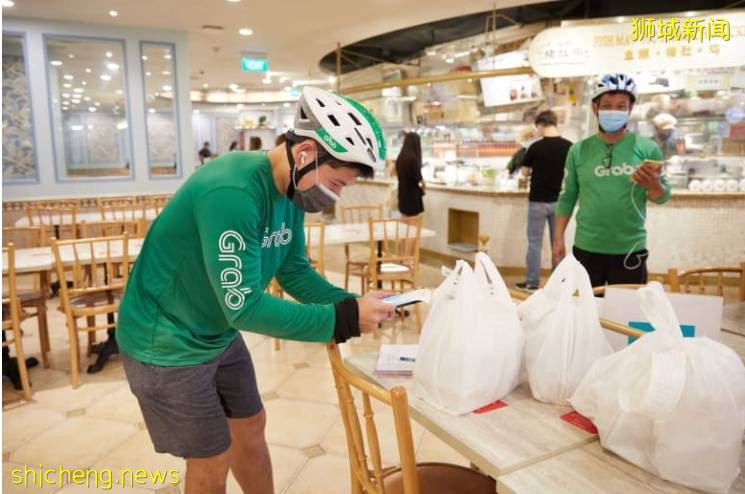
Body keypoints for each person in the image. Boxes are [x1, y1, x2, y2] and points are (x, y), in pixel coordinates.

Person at [116, 86, 395, 494]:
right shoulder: (233, 191)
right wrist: (346, 319)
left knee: (251, 426)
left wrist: (349, 303)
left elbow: (295, 270)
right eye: (336, 182)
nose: (335, 195)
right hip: (166, 340)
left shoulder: (291, 190)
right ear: (304, 155)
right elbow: (243, 308)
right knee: (211, 458)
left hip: (215, 331)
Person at [552, 73, 671, 288]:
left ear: (630, 109)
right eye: (607, 105)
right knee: (584, 315)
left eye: (620, 106)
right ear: (595, 109)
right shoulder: (578, 150)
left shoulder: (648, 149)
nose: (613, 111)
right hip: (586, 248)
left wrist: (653, 185)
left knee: (625, 316)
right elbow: (567, 196)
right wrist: (558, 238)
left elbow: (662, 197)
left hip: (630, 249)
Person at [516, 110, 572, 292]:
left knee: (534, 243)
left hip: (537, 201)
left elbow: (524, 173)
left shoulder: (535, 147)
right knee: (558, 242)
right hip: (560, 202)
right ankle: (558, 284)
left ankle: (532, 282)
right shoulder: (569, 147)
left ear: (540, 125)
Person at [395, 132, 425, 256]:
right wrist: (424, 187)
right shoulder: (413, 159)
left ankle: (401, 257)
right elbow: (420, 180)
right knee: (412, 231)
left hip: (402, 196)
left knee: (404, 230)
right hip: (412, 199)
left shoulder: (401, 157)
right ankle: (408, 260)